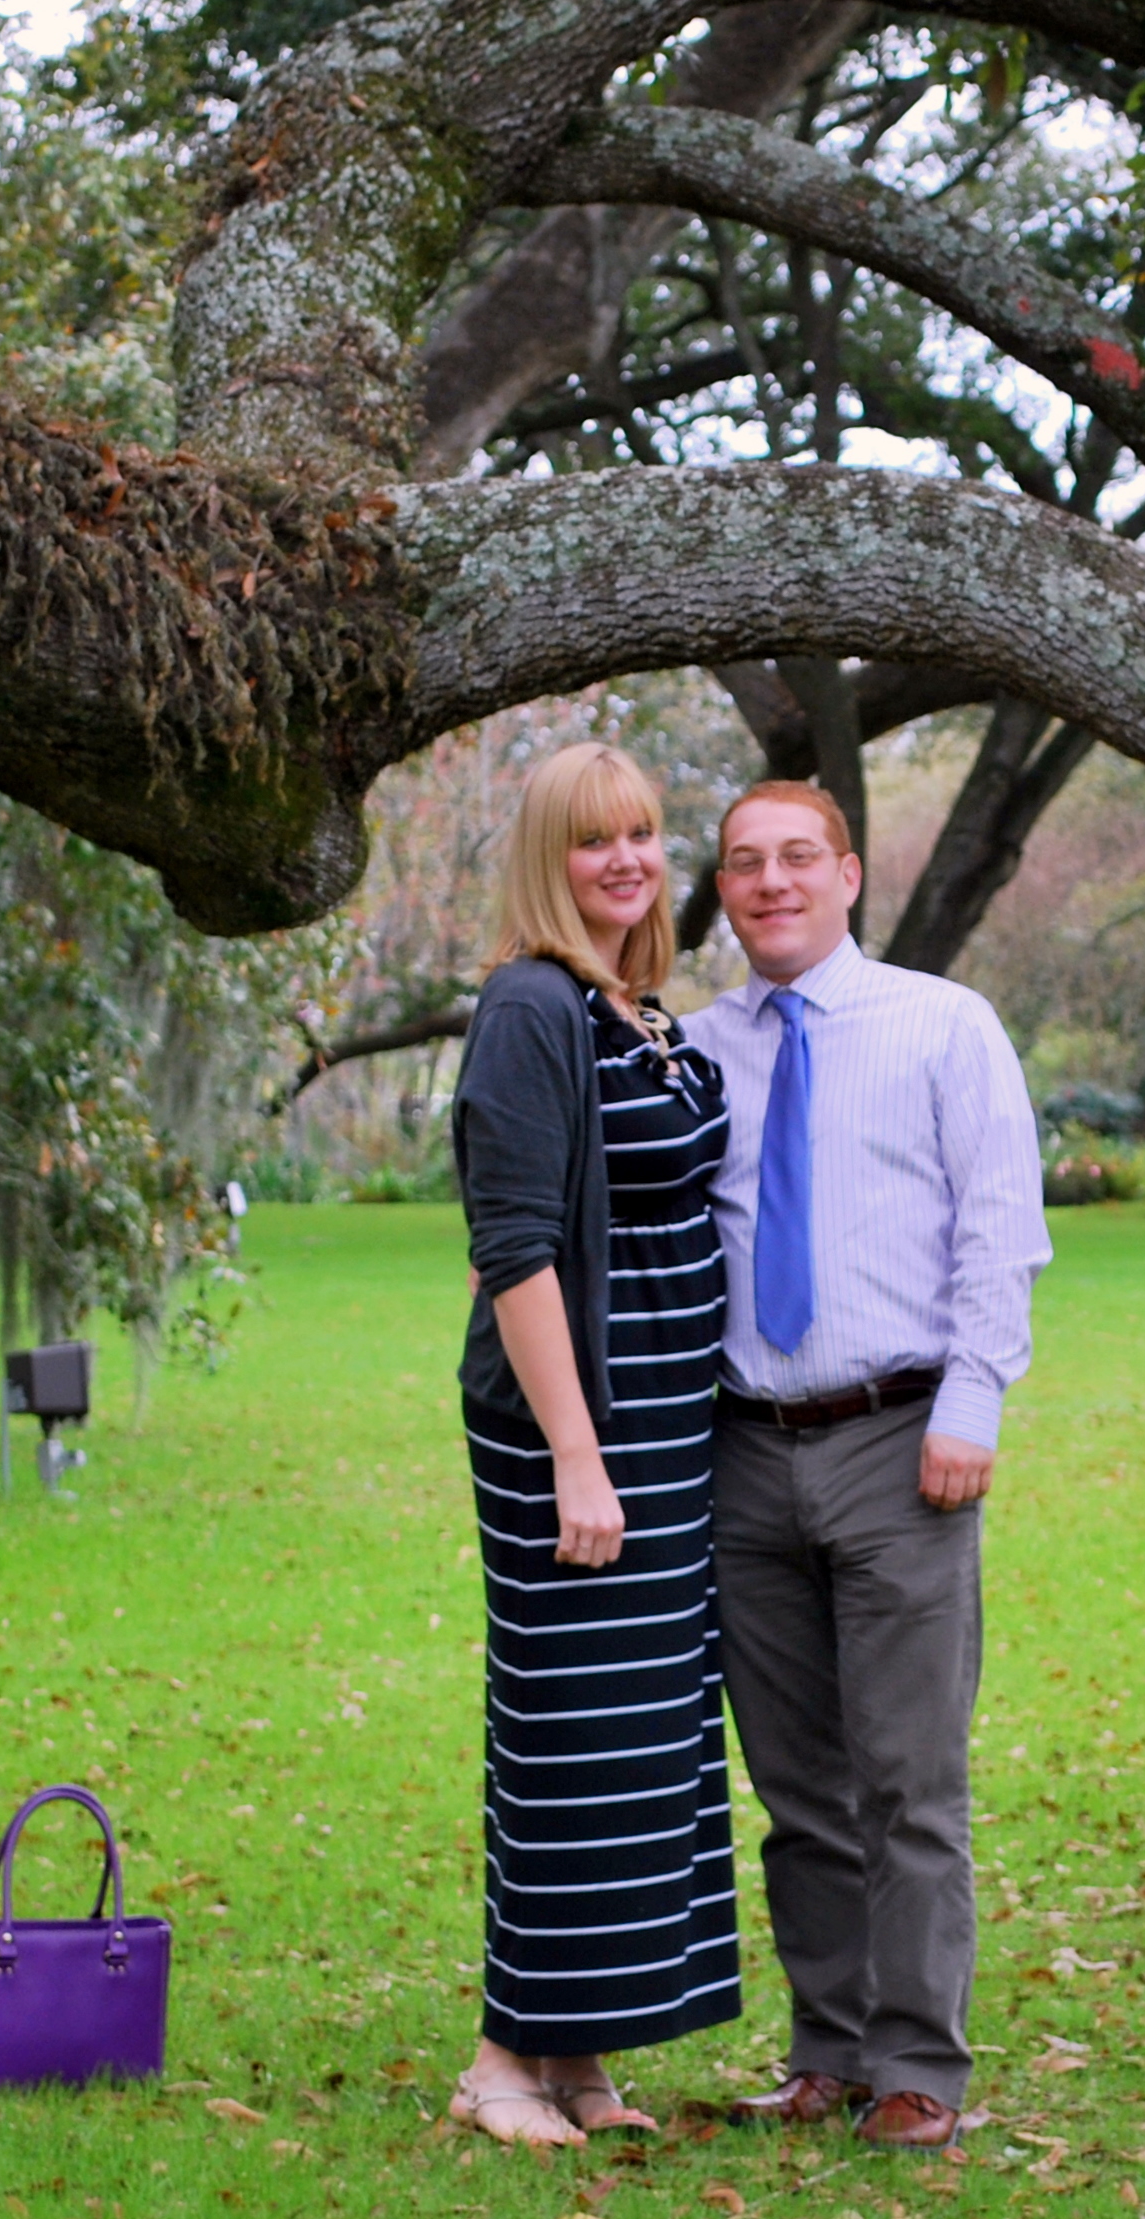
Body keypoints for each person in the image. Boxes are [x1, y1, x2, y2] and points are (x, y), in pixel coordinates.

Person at [688, 780, 1049, 2152]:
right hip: (743, 1451)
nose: (771, 882)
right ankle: (827, 2053)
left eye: (798, 857)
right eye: (745, 863)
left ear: (848, 874)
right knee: (798, 1791)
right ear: (724, 890)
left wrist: (974, 1404)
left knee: (908, 1780)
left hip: (905, 1441)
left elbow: (999, 1226)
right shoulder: (696, 1051)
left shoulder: (942, 1025)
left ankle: (918, 2069)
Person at [445, 743, 743, 2148]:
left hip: (670, 1430)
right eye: (590, 839)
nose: (625, 860)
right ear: (545, 860)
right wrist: (577, 1450)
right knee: (569, 1738)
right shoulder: (528, 1007)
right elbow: (513, 1251)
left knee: (645, 1744)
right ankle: (499, 2063)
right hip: (579, 1433)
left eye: (640, 833)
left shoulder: (634, 1009)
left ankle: (577, 2054)